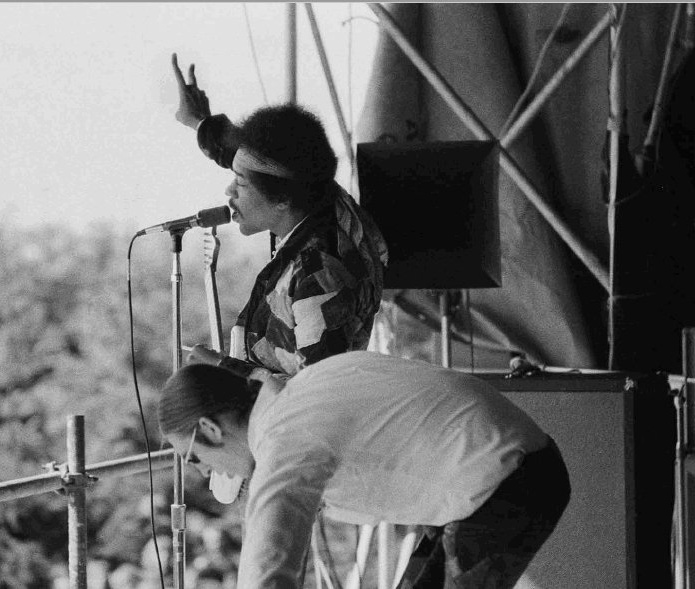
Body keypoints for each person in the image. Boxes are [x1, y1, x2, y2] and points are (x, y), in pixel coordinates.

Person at [157, 351, 571, 589]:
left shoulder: (284, 438)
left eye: (193, 458)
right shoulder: (301, 390)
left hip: (505, 480)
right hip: (506, 470)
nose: (204, 473)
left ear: (209, 429)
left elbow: (266, 565)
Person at [171, 54, 389, 382]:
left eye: (240, 182)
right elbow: (251, 159)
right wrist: (200, 122)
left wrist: (222, 368)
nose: (229, 191)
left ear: (283, 200)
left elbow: (317, 392)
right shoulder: (309, 198)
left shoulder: (319, 276)